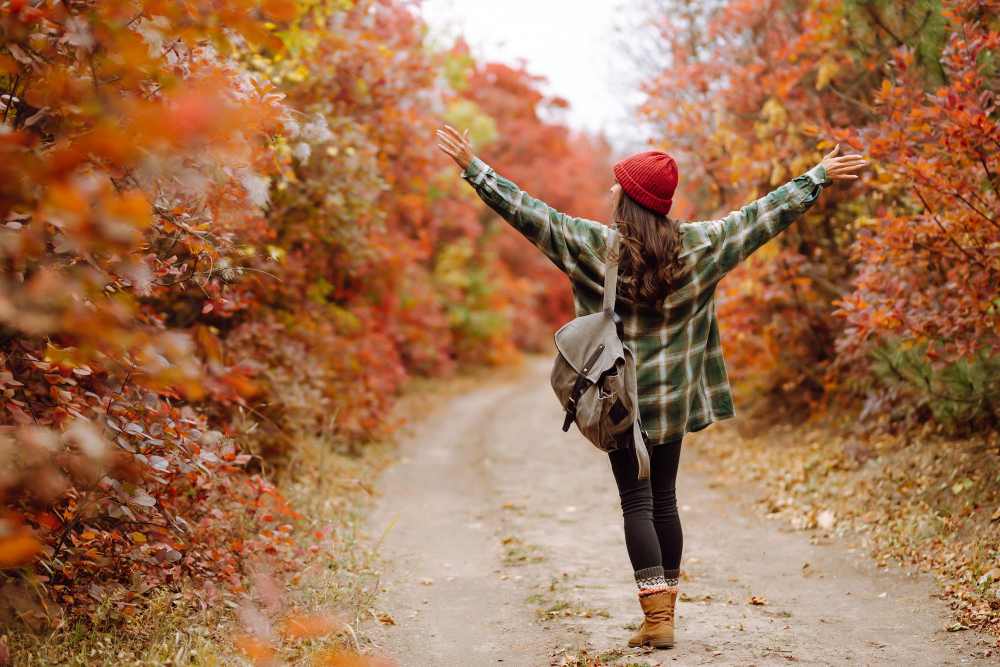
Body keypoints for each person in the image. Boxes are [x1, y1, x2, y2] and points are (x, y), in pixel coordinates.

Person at [436, 125, 866, 649]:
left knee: (635, 503)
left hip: (621, 402)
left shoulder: (596, 247)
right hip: (674, 399)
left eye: (619, 185)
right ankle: (665, 614)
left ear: (633, 200)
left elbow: (531, 215)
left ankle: (656, 618)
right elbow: (762, 217)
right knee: (664, 499)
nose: (612, 191)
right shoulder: (703, 246)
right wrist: (817, 176)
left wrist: (475, 170)